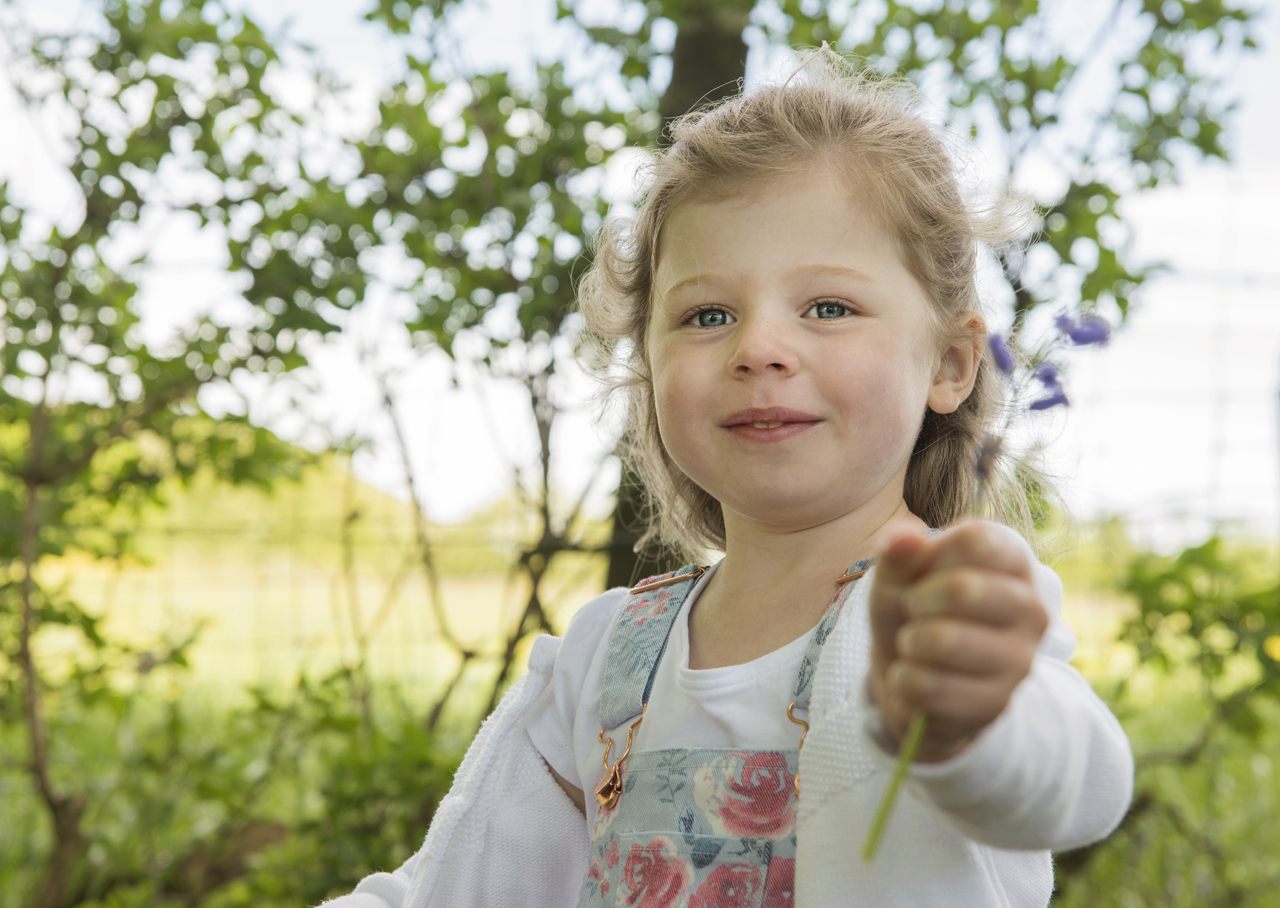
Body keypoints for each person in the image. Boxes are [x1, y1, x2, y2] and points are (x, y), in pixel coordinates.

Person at [322, 52, 1133, 908]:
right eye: (707, 315)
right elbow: (452, 889)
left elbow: (1077, 784)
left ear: (952, 362)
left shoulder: (949, 606)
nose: (758, 348)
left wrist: (978, 720)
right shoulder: (604, 658)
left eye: (828, 307)